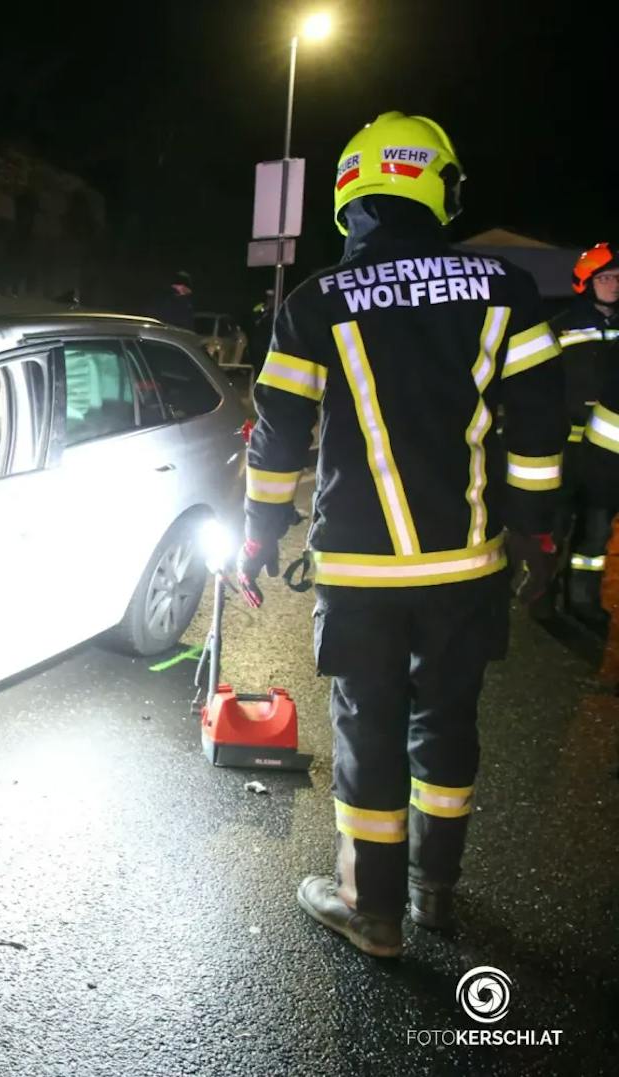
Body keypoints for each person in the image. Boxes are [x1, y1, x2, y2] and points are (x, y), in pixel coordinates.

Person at [239, 112, 564, 958]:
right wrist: (534, 536)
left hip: (361, 571)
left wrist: (257, 534)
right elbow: (538, 428)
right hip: (466, 566)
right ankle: (436, 893)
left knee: (369, 731)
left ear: (352, 194)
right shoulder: (507, 290)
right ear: (440, 187)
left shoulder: (315, 303)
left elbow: (278, 439)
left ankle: (370, 908)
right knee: (448, 723)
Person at [551, 242, 619, 624]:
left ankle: (583, 601)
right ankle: (543, 599)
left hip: (607, 456)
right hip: (566, 450)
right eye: (606, 277)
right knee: (555, 530)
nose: (614, 285)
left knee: (595, 535)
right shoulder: (560, 326)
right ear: (586, 282)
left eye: (618, 279)